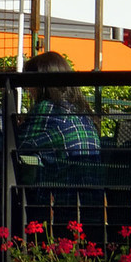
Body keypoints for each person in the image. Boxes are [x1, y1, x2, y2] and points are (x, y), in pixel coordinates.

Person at [18, 48, 102, 181]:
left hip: (59, 197)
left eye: (30, 82)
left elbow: (17, 146)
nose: (28, 90)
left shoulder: (48, 109)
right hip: (90, 197)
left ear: (41, 83)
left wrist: (18, 126)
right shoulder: (82, 112)